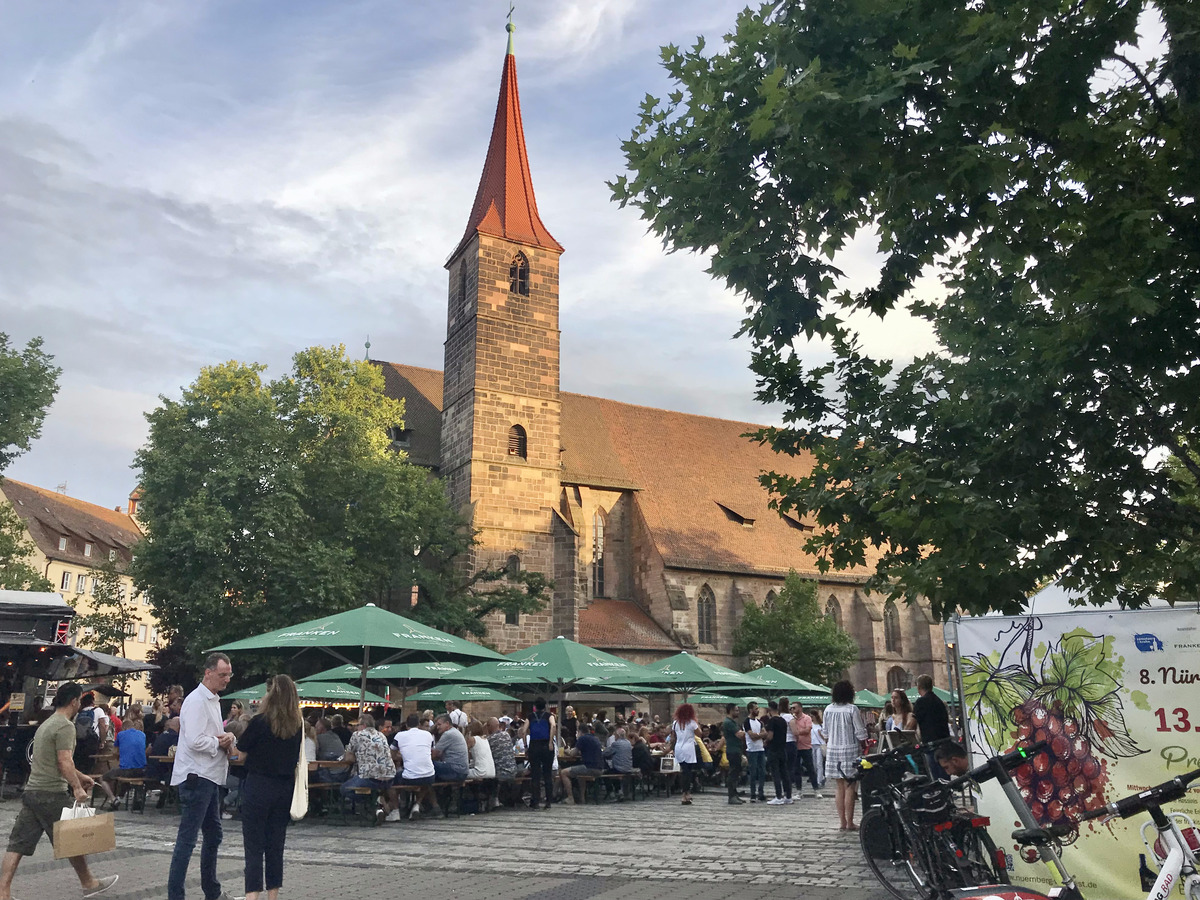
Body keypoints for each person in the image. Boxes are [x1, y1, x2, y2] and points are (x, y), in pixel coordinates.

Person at [0, 682, 118, 900]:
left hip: (33, 791)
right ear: (74, 701)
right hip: (51, 793)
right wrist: (76, 787)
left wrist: (80, 777)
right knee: (72, 839)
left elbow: (53, 761)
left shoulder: (46, 724)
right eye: (79, 701)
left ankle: (3, 892)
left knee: (17, 844)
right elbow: (64, 761)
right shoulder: (65, 726)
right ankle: (89, 883)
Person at [169, 652, 236, 900]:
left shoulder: (211, 700)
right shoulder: (197, 700)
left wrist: (228, 739)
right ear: (208, 673)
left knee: (211, 835)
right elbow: (195, 740)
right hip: (197, 776)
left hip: (207, 776)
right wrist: (220, 743)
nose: (227, 679)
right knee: (188, 840)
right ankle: (178, 895)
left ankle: (212, 890)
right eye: (222, 675)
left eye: (229, 674)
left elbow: (214, 735)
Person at [236, 674, 303, 900]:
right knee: (276, 845)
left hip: (258, 785)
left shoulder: (260, 722)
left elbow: (241, 754)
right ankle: (272, 895)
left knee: (254, 845)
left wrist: (227, 742)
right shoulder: (298, 725)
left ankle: (252, 895)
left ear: (270, 694)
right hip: (285, 788)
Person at [824, 680, 868, 831]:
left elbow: (825, 732)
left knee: (839, 787)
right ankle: (850, 822)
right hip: (849, 749)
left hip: (833, 749)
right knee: (850, 786)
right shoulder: (852, 709)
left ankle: (842, 821)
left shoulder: (828, 709)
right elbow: (860, 732)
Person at [339, 713, 397, 822]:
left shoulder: (357, 735)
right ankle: (376, 805)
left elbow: (349, 757)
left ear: (364, 725)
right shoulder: (381, 735)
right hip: (389, 777)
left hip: (370, 777)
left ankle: (373, 805)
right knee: (366, 788)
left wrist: (357, 757)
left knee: (344, 789)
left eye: (358, 724)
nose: (356, 727)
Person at [97, 716, 147, 809]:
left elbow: (115, 752)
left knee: (102, 778)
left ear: (123, 728)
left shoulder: (121, 734)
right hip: (142, 770)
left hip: (127, 770)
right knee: (124, 778)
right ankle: (122, 798)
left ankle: (113, 799)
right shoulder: (142, 735)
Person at [913, 674, 953, 778]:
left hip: (931, 743)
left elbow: (914, 722)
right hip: (944, 742)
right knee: (944, 772)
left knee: (935, 775)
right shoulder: (939, 701)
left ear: (918, 687)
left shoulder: (921, 702)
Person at [520, 697, 555, 810]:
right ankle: (548, 801)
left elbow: (524, 730)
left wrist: (525, 746)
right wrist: (550, 742)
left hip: (534, 746)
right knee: (547, 774)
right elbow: (553, 725)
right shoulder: (549, 716)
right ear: (545, 706)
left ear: (535, 706)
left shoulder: (530, 716)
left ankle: (535, 801)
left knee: (535, 775)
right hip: (546, 745)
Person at [559, 722, 603, 805]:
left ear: (580, 731)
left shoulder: (582, 739)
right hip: (599, 768)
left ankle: (570, 798)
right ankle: (582, 798)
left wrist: (566, 751)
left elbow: (573, 753)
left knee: (563, 772)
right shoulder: (595, 738)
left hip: (589, 767)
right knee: (580, 776)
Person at [666, 703, 700, 806]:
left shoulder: (675, 723)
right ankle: (686, 793)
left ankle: (685, 793)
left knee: (683, 771)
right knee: (688, 772)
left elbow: (673, 737)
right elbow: (699, 733)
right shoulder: (692, 722)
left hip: (679, 747)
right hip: (688, 747)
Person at [765, 701, 793, 805]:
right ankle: (788, 796)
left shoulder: (772, 721)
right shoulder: (783, 720)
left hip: (774, 749)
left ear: (769, 709)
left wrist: (765, 738)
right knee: (785, 773)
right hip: (783, 749)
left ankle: (778, 796)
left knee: (775, 774)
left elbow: (770, 736)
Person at [791, 703, 821, 798]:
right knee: (796, 769)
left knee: (811, 769)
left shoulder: (807, 718)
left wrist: (796, 732)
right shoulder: (792, 719)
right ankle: (799, 791)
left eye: (794, 707)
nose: (792, 709)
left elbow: (807, 730)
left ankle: (816, 790)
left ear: (800, 708)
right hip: (796, 746)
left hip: (806, 746)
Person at [486, 717, 516, 808]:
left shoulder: (490, 739)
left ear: (489, 727)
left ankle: (492, 799)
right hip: (513, 771)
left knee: (486, 776)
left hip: (500, 772)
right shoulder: (507, 735)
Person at [431, 714, 469, 782]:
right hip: (462, 771)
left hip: (456, 771)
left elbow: (434, 755)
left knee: (426, 765)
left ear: (447, 723)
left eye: (439, 724)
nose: (437, 727)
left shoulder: (448, 734)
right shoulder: (455, 732)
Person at [743, 701, 767, 802]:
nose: (758, 710)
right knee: (753, 772)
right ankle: (753, 794)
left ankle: (761, 793)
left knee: (762, 772)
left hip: (760, 749)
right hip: (752, 750)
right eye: (756, 708)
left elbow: (765, 733)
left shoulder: (759, 722)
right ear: (750, 710)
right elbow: (751, 736)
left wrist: (758, 735)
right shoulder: (747, 722)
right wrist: (759, 735)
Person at [722, 703, 745, 805]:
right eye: (736, 710)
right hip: (733, 750)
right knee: (733, 773)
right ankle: (731, 796)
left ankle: (735, 794)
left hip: (736, 749)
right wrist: (745, 732)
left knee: (736, 773)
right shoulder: (728, 723)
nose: (738, 712)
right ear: (730, 710)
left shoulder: (732, 722)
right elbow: (740, 734)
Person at [313, 718, 349, 783]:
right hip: (344, 773)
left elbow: (314, 752)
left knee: (311, 776)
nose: (314, 729)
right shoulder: (335, 736)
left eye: (316, 727)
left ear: (322, 729)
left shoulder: (319, 738)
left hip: (331, 775)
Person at [602, 727, 634, 801]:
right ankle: (619, 791)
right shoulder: (628, 743)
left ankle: (613, 792)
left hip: (619, 768)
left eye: (615, 735)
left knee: (606, 773)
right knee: (613, 770)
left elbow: (605, 754)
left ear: (618, 735)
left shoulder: (616, 744)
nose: (614, 737)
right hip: (628, 767)